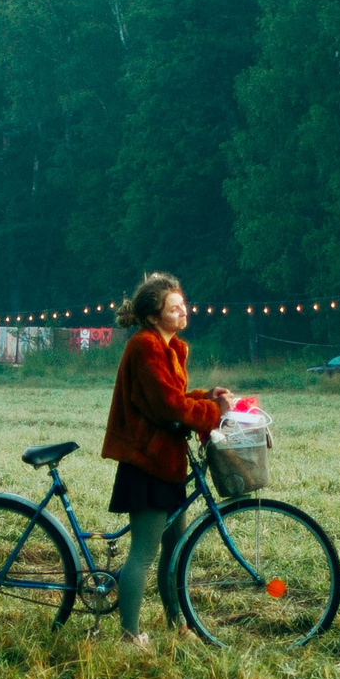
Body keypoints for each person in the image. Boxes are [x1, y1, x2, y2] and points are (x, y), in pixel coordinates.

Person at [101, 272, 234, 646]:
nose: (183, 312)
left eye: (182, 305)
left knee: (175, 549)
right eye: (173, 308)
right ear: (153, 316)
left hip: (167, 462)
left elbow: (174, 396)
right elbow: (167, 405)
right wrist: (214, 412)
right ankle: (129, 637)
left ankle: (178, 625)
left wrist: (207, 396)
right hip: (147, 462)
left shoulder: (168, 347)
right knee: (144, 553)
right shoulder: (144, 346)